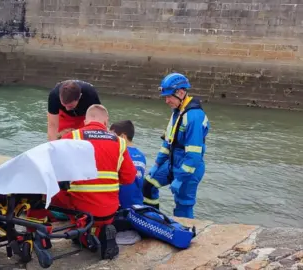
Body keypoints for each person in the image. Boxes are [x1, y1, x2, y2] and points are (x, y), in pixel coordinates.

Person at [36, 104, 137, 260]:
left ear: (85, 121)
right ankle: (100, 231)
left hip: (81, 210)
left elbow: (53, 172)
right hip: (109, 210)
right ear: (106, 122)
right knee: (100, 215)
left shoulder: (72, 137)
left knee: (56, 191)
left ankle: (81, 234)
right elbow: (129, 178)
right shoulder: (120, 142)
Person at [143, 73, 209, 219]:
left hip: (189, 168)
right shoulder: (178, 113)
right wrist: (157, 164)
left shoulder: (193, 117)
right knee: (148, 185)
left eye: (169, 97)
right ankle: (152, 219)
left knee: (183, 204)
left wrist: (180, 178)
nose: (166, 101)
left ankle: (185, 234)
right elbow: (168, 142)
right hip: (173, 162)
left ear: (181, 92)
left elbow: (194, 155)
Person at [109, 120, 147, 209]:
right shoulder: (141, 155)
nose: (110, 140)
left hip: (121, 206)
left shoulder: (119, 154)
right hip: (137, 205)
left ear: (123, 137)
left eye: (112, 136)